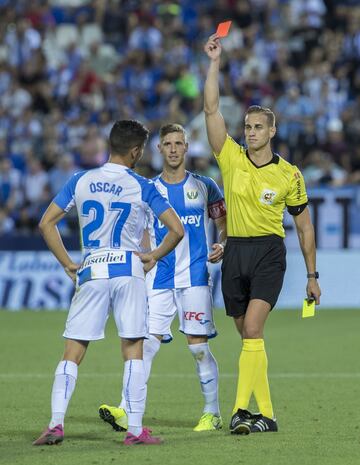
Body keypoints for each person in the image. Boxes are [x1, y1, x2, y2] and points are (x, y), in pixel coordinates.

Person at [33, 120, 184, 446]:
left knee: (72, 351)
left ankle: (56, 424)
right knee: (133, 350)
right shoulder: (143, 185)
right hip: (128, 269)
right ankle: (134, 430)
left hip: (92, 268)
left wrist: (68, 263)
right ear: (135, 151)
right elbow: (177, 229)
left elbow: (46, 223)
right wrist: (154, 255)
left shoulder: (80, 180)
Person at [203, 35, 321, 434]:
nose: (250, 131)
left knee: (253, 329)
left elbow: (304, 226)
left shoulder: (289, 174)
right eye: (247, 126)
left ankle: (239, 411)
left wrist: (312, 275)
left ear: (272, 131)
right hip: (235, 251)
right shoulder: (231, 158)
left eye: (258, 127)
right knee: (247, 338)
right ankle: (266, 416)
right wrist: (215, 63)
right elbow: (211, 108)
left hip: (270, 252)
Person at [98, 123, 227, 432]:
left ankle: (212, 412)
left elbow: (222, 221)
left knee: (197, 347)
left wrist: (223, 241)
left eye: (178, 143)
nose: (172, 148)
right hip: (158, 277)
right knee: (146, 344)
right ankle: (127, 409)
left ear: (186, 147)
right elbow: (141, 231)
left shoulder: (205, 185)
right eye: (167, 143)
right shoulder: (148, 188)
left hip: (195, 276)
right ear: (159, 149)